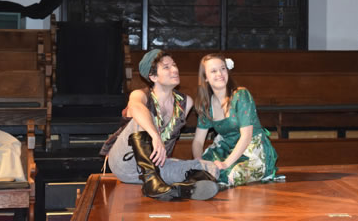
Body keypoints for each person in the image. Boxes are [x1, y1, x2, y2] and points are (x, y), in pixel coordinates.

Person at [100, 49, 219, 201]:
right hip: (124, 163)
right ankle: (152, 182)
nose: (174, 70)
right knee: (142, 116)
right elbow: (136, 108)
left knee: (210, 169)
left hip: (159, 167)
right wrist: (155, 136)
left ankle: (179, 190)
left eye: (174, 65)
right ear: (153, 76)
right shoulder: (139, 95)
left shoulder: (185, 102)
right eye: (167, 67)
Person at [192, 53, 279, 188]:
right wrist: (199, 160)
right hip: (226, 147)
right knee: (198, 170)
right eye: (213, 71)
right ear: (205, 78)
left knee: (230, 174)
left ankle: (211, 188)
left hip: (251, 149)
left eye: (222, 69)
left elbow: (246, 136)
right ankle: (189, 189)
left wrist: (226, 164)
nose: (220, 73)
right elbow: (198, 141)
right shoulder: (206, 105)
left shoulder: (241, 95)